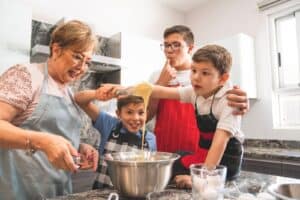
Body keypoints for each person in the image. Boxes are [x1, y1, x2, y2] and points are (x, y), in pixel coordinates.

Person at [0, 20, 99, 199]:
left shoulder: (68, 91)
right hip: (19, 191)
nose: (82, 67)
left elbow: (53, 132)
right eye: (77, 56)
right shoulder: (26, 76)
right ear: (56, 49)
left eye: (88, 62)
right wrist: (42, 141)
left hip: (57, 192)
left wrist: (80, 146)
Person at [150, 44, 244, 188]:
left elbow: (219, 145)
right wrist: (122, 90)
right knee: (172, 162)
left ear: (223, 78)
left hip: (223, 165)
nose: (196, 78)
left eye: (205, 73)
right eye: (193, 70)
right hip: (203, 157)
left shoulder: (230, 101)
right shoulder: (195, 93)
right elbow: (158, 91)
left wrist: (200, 180)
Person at [147, 25, 248, 154]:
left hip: (200, 151)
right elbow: (147, 116)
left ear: (190, 48)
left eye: (176, 44)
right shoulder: (156, 76)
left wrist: (243, 101)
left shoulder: (207, 76)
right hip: (164, 149)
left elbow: (231, 104)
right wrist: (160, 83)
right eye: (166, 45)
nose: (169, 50)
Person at [74, 85, 156, 189]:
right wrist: (99, 94)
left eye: (141, 112)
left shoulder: (150, 139)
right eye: (129, 112)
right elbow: (79, 99)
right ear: (119, 114)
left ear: (147, 113)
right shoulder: (109, 125)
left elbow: (150, 173)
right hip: (100, 193)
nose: (136, 118)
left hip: (132, 194)